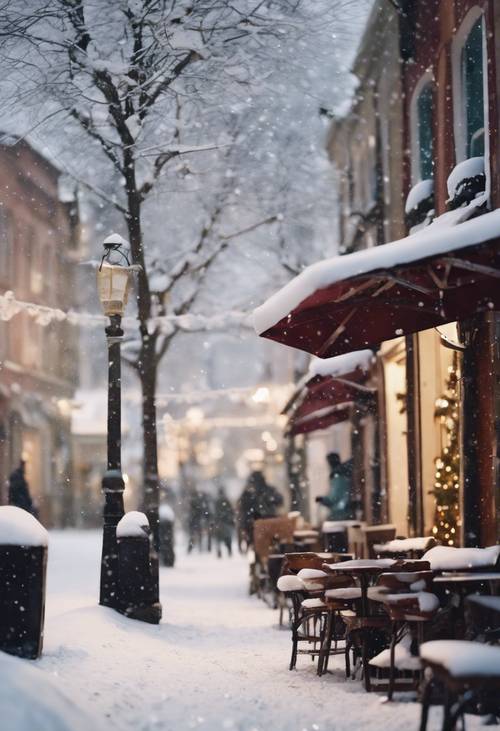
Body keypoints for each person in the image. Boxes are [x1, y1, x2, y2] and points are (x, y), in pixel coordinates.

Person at [237, 470, 283, 549]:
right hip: (265, 522)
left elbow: (243, 510)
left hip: (260, 523)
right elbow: (279, 500)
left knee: (261, 545)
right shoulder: (266, 490)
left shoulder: (249, 492)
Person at [315, 452, 354, 521]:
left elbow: (334, 498)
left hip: (340, 515)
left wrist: (322, 500)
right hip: (343, 514)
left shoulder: (338, 477)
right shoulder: (342, 474)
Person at [213, 486, 234, 558]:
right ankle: (229, 550)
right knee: (228, 538)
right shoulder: (226, 500)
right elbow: (231, 511)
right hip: (226, 522)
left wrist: (215, 521)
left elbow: (214, 512)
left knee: (218, 538)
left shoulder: (216, 501)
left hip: (219, 522)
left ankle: (219, 551)